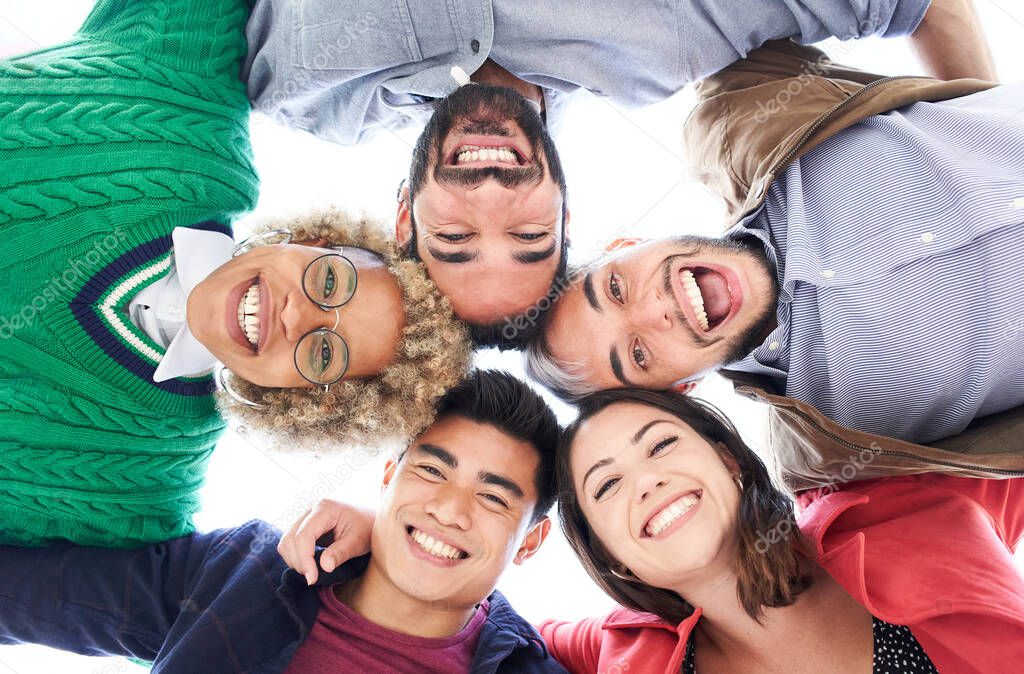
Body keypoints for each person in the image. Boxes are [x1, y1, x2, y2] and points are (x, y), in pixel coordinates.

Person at [0, 0, 470, 548]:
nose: (298, 315)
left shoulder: (145, 482)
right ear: (314, 242)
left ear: (314, 400)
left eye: (324, 352)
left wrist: (379, 536)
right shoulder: (186, 117)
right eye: (328, 283)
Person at [243, 0, 993, 341]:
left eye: (457, 238)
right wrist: (994, 149)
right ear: (566, 203)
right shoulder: (670, 43)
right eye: (530, 234)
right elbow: (926, 5)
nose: (492, 197)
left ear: (406, 211)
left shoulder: (304, 93)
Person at [526, 39, 1024, 491]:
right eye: (637, 354)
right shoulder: (831, 454)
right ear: (681, 387)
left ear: (625, 242)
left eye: (615, 288)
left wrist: (983, 105)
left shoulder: (739, 110)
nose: (655, 311)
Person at [0, 370, 566, 674]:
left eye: (494, 499)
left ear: (531, 542)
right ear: (388, 475)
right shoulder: (242, 573)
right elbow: (32, 595)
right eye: (432, 472)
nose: (449, 510)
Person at [541, 389, 1024, 674]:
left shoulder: (888, 513)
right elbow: (473, 624)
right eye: (606, 485)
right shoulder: (614, 650)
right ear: (608, 553)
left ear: (727, 459)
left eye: (661, 444)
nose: (647, 482)